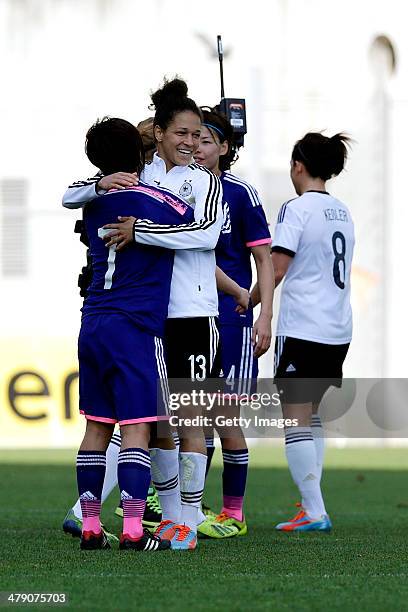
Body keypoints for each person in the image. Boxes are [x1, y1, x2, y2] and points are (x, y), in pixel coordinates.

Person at [62, 78, 242, 546]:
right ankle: (167, 516)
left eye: (198, 135)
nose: (192, 143)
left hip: (194, 312)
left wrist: (140, 231)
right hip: (152, 318)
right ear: (158, 134)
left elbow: (205, 236)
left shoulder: (205, 181)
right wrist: (99, 183)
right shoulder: (144, 180)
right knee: (160, 423)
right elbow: (74, 194)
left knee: (190, 419)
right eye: (182, 133)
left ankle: (187, 521)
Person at [73, 115, 204, 552]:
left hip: (93, 323)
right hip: (136, 328)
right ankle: (132, 529)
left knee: (96, 427)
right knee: (136, 427)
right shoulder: (159, 199)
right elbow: (199, 224)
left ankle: (91, 525)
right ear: (140, 153)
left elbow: (72, 194)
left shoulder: (92, 202)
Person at [255, 132, 354, 532]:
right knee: (310, 416)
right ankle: (311, 505)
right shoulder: (342, 211)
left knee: (294, 419)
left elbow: (276, 269)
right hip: (337, 328)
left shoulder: (295, 209)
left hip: (303, 328)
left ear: (298, 165)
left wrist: (251, 300)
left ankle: (314, 511)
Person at [191, 107, 273, 537]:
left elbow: (265, 261)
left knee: (225, 417)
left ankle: (234, 513)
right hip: (193, 320)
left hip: (234, 320)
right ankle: (195, 507)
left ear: (224, 147)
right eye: (194, 139)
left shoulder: (241, 193)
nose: (198, 148)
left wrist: (264, 316)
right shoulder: (182, 188)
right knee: (194, 420)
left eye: (207, 141)